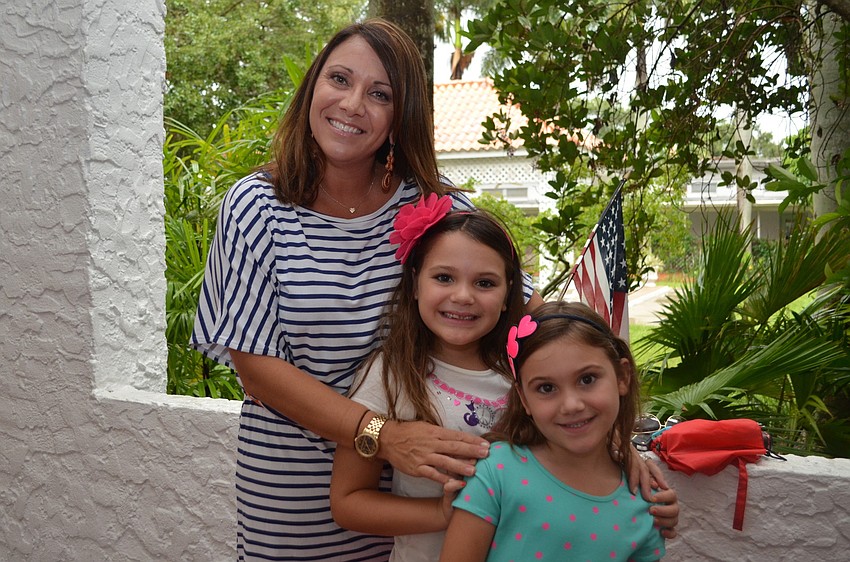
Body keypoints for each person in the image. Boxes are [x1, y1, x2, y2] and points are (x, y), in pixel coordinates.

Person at [191, 18, 543, 561]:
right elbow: (256, 364)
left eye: (380, 93)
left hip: (421, 500)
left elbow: (529, 320)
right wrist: (383, 435)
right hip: (291, 498)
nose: (353, 104)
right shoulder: (258, 205)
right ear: (313, 89)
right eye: (339, 79)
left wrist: (603, 454)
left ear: (400, 118)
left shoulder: (436, 211)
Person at [330, 202, 679, 562]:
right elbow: (348, 502)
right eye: (444, 277)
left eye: (484, 282)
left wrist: (627, 466)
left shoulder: (528, 367)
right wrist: (445, 512)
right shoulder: (392, 374)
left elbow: (577, 427)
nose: (463, 296)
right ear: (415, 282)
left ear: (508, 292)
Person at [439, 301, 670, 562]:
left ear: (622, 377)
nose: (571, 405)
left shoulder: (645, 496)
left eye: (587, 379)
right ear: (524, 399)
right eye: (546, 388)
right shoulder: (494, 474)